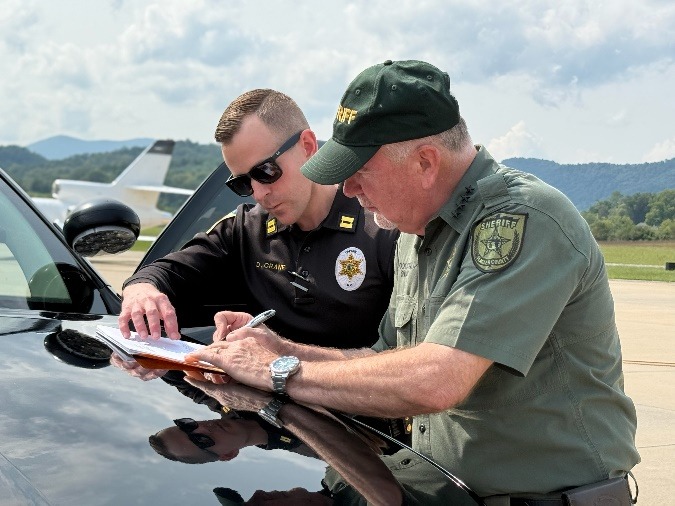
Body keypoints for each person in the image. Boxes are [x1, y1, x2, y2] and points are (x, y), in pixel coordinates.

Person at [184, 60, 640, 503]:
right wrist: (280, 349)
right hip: (435, 486)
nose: (348, 191)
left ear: (425, 162)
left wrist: (274, 373)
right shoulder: (413, 232)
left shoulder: (521, 221)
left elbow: (436, 381)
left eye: (359, 173)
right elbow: (384, 359)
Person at [118, 89, 398, 349]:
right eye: (242, 184)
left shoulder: (381, 228)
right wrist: (141, 289)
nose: (258, 194)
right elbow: (172, 270)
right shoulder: (247, 230)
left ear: (308, 145)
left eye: (266, 172)